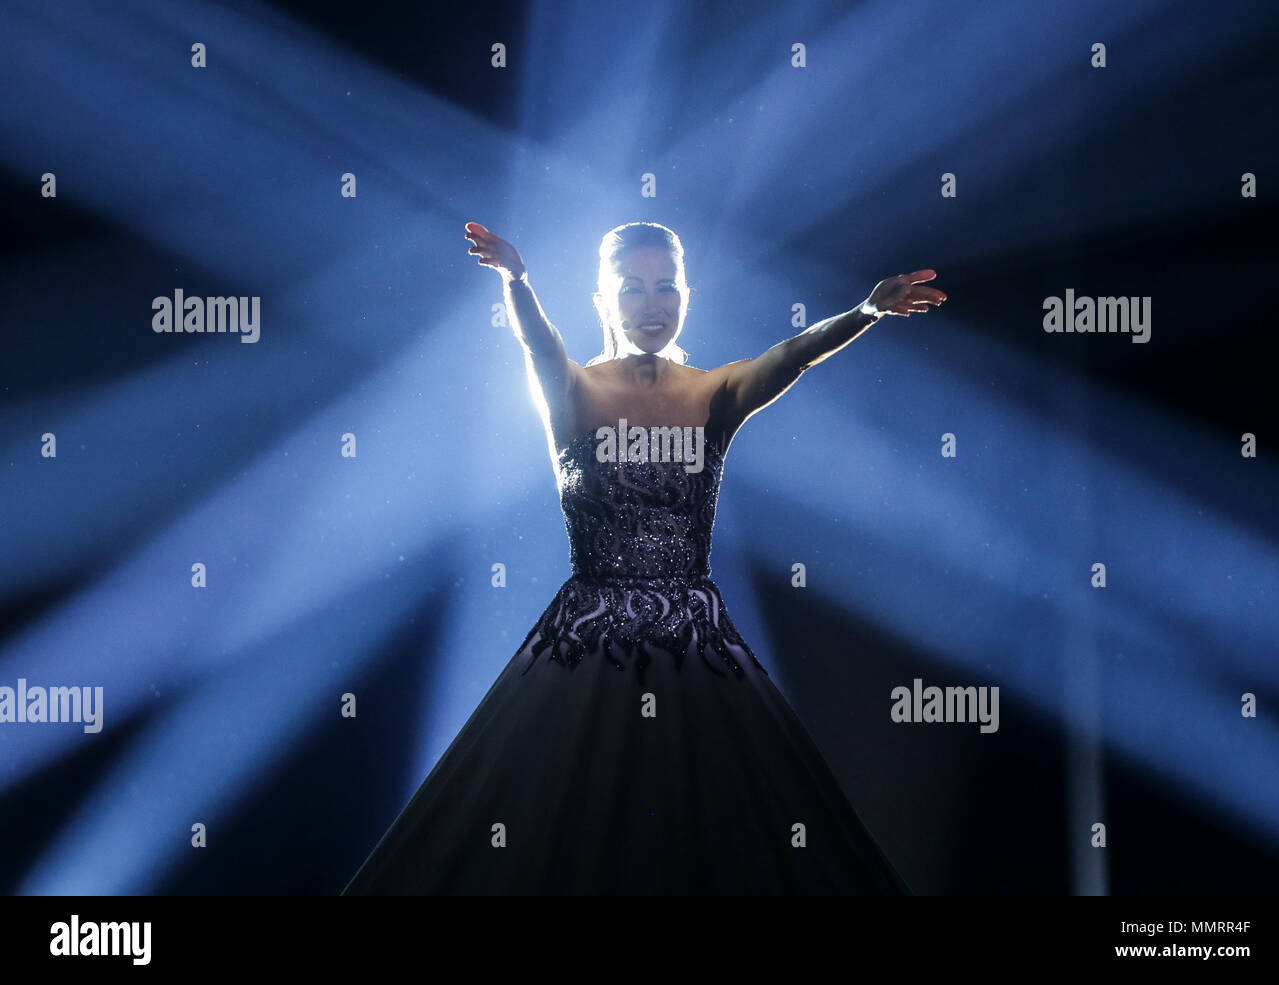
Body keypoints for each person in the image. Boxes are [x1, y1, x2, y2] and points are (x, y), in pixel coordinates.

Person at [342, 220, 945, 895]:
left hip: (695, 648)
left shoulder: (712, 392)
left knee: (719, 836)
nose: (651, 302)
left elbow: (792, 355)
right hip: (586, 649)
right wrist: (518, 282)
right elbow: (537, 344)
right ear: (602, 300)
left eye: (666, 287)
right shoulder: (572, 391)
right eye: (632, 288)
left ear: (686, 294)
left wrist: (864, 311)